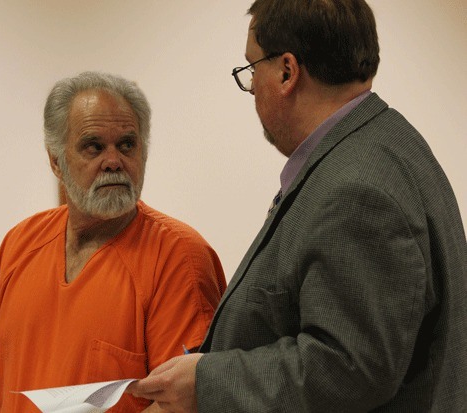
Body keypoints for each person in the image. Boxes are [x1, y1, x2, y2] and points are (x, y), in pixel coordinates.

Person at [129, 0, 467, 411]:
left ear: (287, 71)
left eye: (253, 68)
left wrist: (208, 383)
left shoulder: (356, 189)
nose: (251, 85)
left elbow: (350, 369)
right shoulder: (387, 144)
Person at [0, 71, 226, 413]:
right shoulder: (20, 243)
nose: (113, 161)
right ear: (56, 161)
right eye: (94, 147)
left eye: (127, 144)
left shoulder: (179, 257)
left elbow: (183, 404)